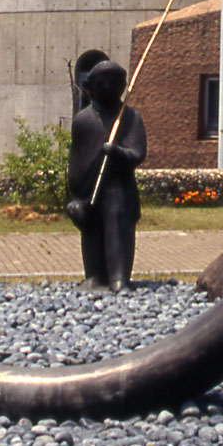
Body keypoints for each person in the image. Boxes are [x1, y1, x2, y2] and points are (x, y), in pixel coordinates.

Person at [65, 59, 146, 291]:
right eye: (103, 82)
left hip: (119, 187)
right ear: (91, 87)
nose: (109, 87)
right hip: (88, 186)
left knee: (117, 225)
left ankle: (119, 277)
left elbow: (138, 152)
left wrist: (118, 152)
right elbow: (77, 158)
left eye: (115, 82)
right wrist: (76, 192)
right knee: (91, 229)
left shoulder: (130, 118)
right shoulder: (83, 121)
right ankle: (94, 275)